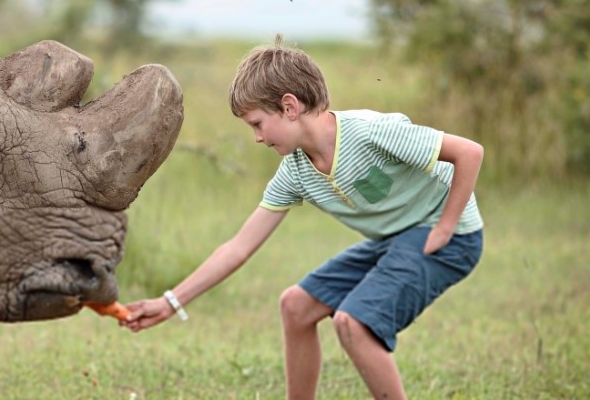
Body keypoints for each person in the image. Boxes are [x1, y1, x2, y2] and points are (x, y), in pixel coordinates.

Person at [122, 35, 484, 400]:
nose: (257, 138)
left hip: (451, 237)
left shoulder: (371, 132)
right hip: (395, 240)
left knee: (352, 323)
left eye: (257, 124)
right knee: (295, 306)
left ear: (290, 107)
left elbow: (469, 153)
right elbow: (238, 248)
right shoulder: (295, 172)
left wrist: (446, 226)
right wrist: (171, 302)